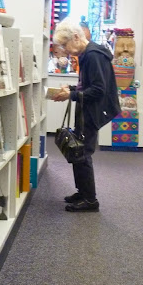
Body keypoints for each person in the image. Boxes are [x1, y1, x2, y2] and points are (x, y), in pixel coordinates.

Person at [51, 18, 121, 212]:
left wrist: (71, 94)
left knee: (83, 153)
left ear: (75, 37)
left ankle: (90, 200)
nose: (64, 49)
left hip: (93, 109)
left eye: (65, 44)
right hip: (88, 108)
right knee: (78, 150)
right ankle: (82, 192)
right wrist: (72, 89)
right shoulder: (86, 55)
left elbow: (99, 89)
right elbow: (89, 86)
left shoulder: (93, 55)